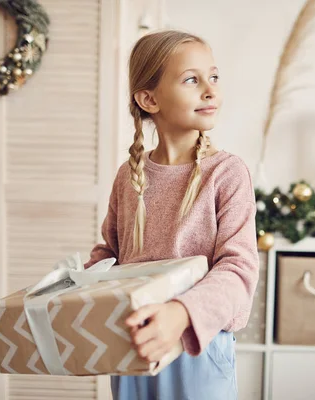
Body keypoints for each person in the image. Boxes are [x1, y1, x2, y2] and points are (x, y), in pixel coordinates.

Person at [84, 29, 259, 400]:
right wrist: (77, 294)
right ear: (149, 99)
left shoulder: (227, 173)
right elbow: (109, 256)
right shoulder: (128, 177)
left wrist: (181, 314)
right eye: (191, 80)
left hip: (199, 347)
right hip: (136, 348)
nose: (210, 90)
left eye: (213, 76)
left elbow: (238, 271)